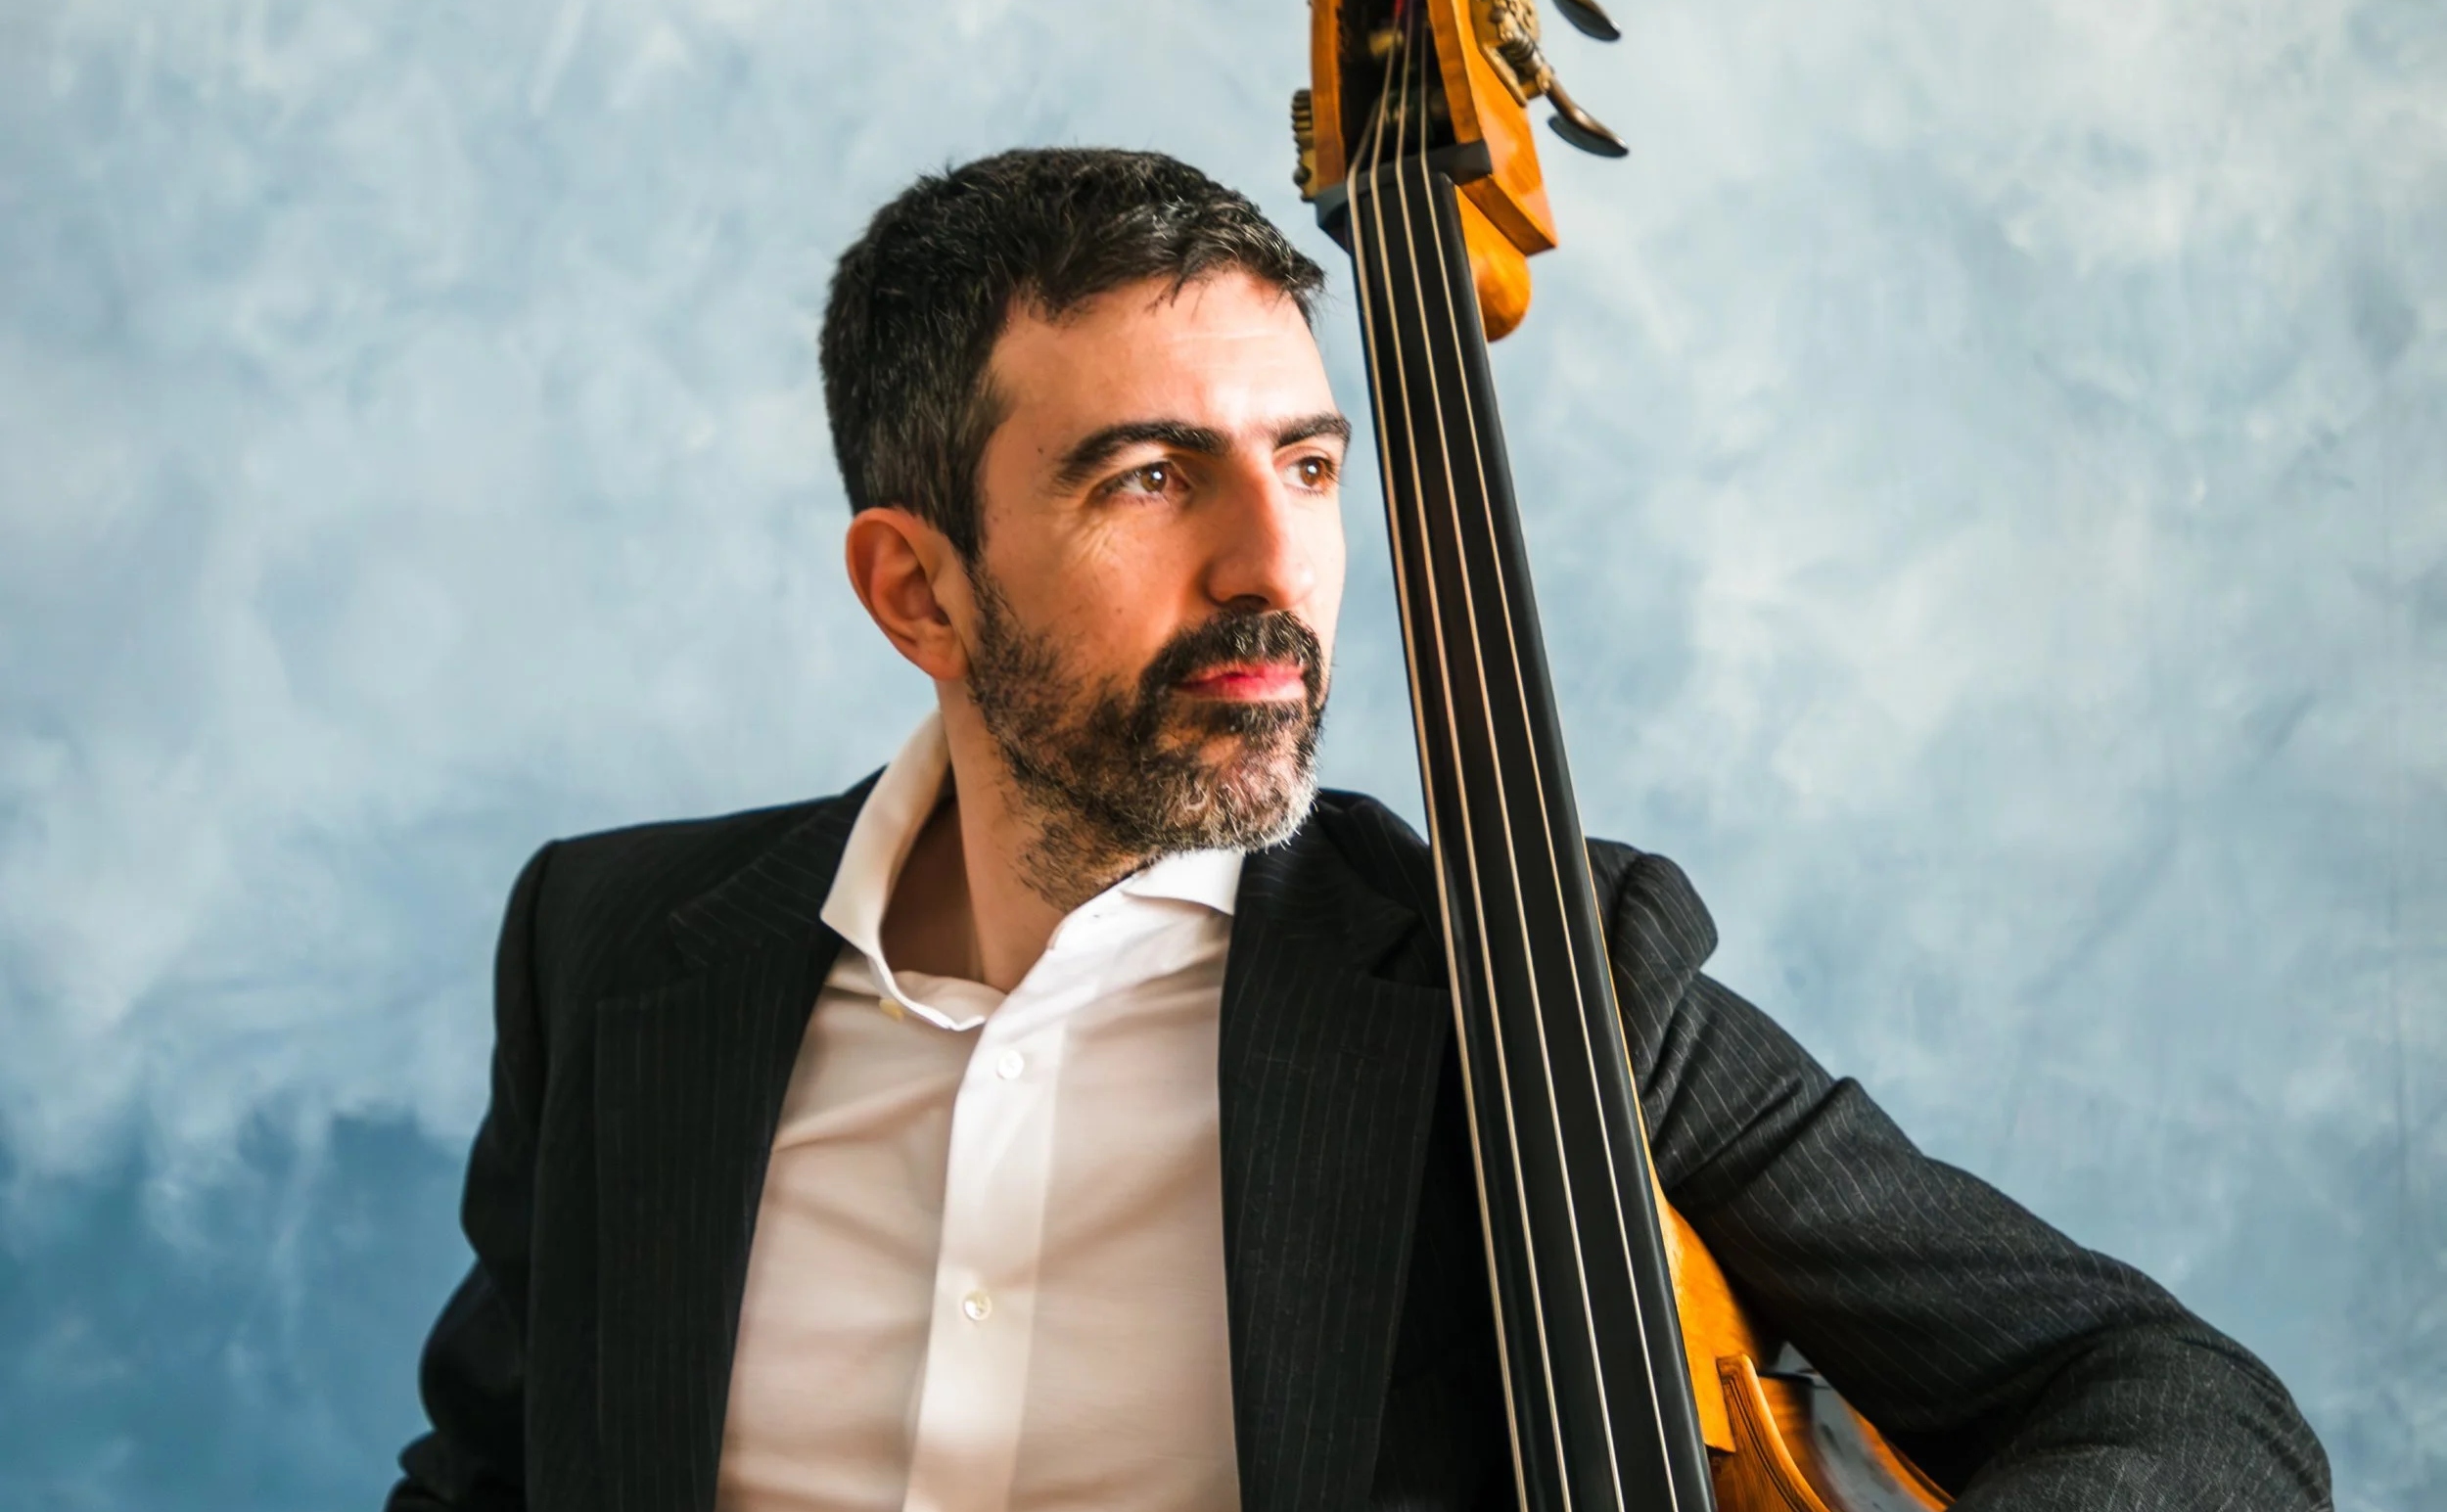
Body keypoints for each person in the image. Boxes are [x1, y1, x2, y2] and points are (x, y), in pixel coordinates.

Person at [388, 148, 2330, 1512]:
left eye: (1307, 465)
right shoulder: (610, 945)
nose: (1274, 566)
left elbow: (2179, 1406)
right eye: (1150, 479)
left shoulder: (1539, 972)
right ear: (918, 588)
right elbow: (484, 1473)